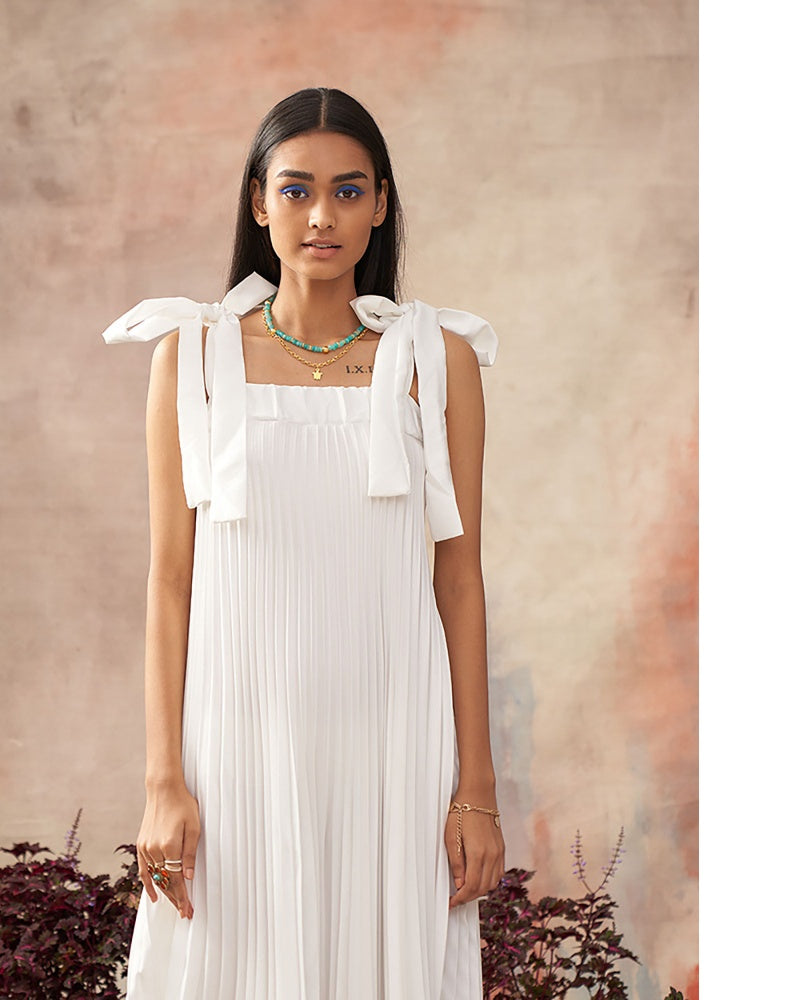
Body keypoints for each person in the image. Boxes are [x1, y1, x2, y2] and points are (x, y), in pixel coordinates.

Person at [101, 86, 505, 999]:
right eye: (296, 190)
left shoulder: (437, 361)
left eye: (349, 191)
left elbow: (459, 581)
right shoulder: (192, 357)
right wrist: (164, 781)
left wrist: (475, 790)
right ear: (259, 202)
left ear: (381, 205)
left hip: (395, 746)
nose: (322, 216)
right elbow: (170, 580)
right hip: (236, 743)